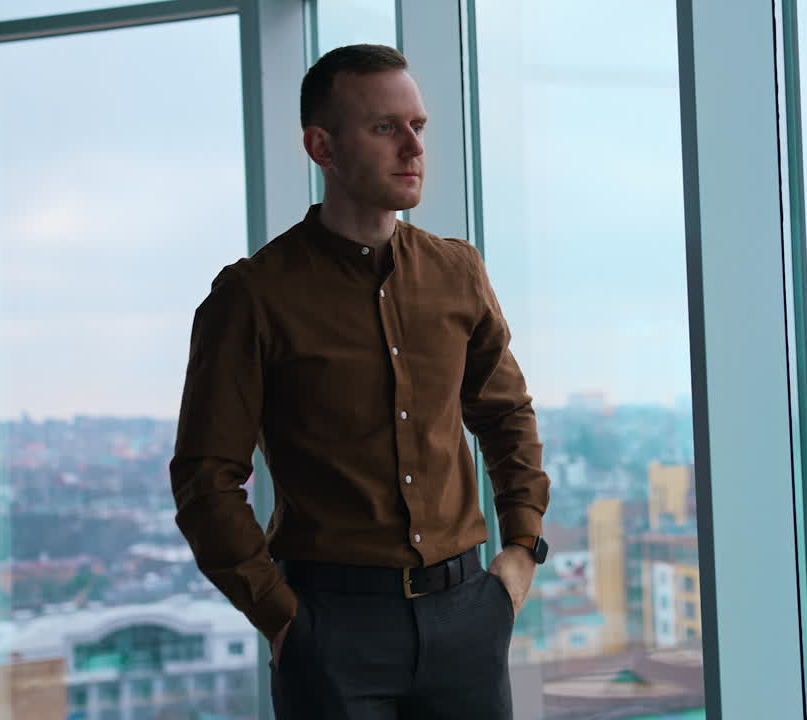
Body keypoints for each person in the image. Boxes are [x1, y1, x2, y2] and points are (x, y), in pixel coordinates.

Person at [169, 43, 551, 719]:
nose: (413, 147)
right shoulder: (253, 296)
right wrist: (283, 619)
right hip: (331, 632)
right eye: (384, 128)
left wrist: (520, 551)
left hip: (469, 617)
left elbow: (506, 415)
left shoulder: (458, 272)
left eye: (419, 127)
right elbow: (206, 477)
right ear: (322, 147)